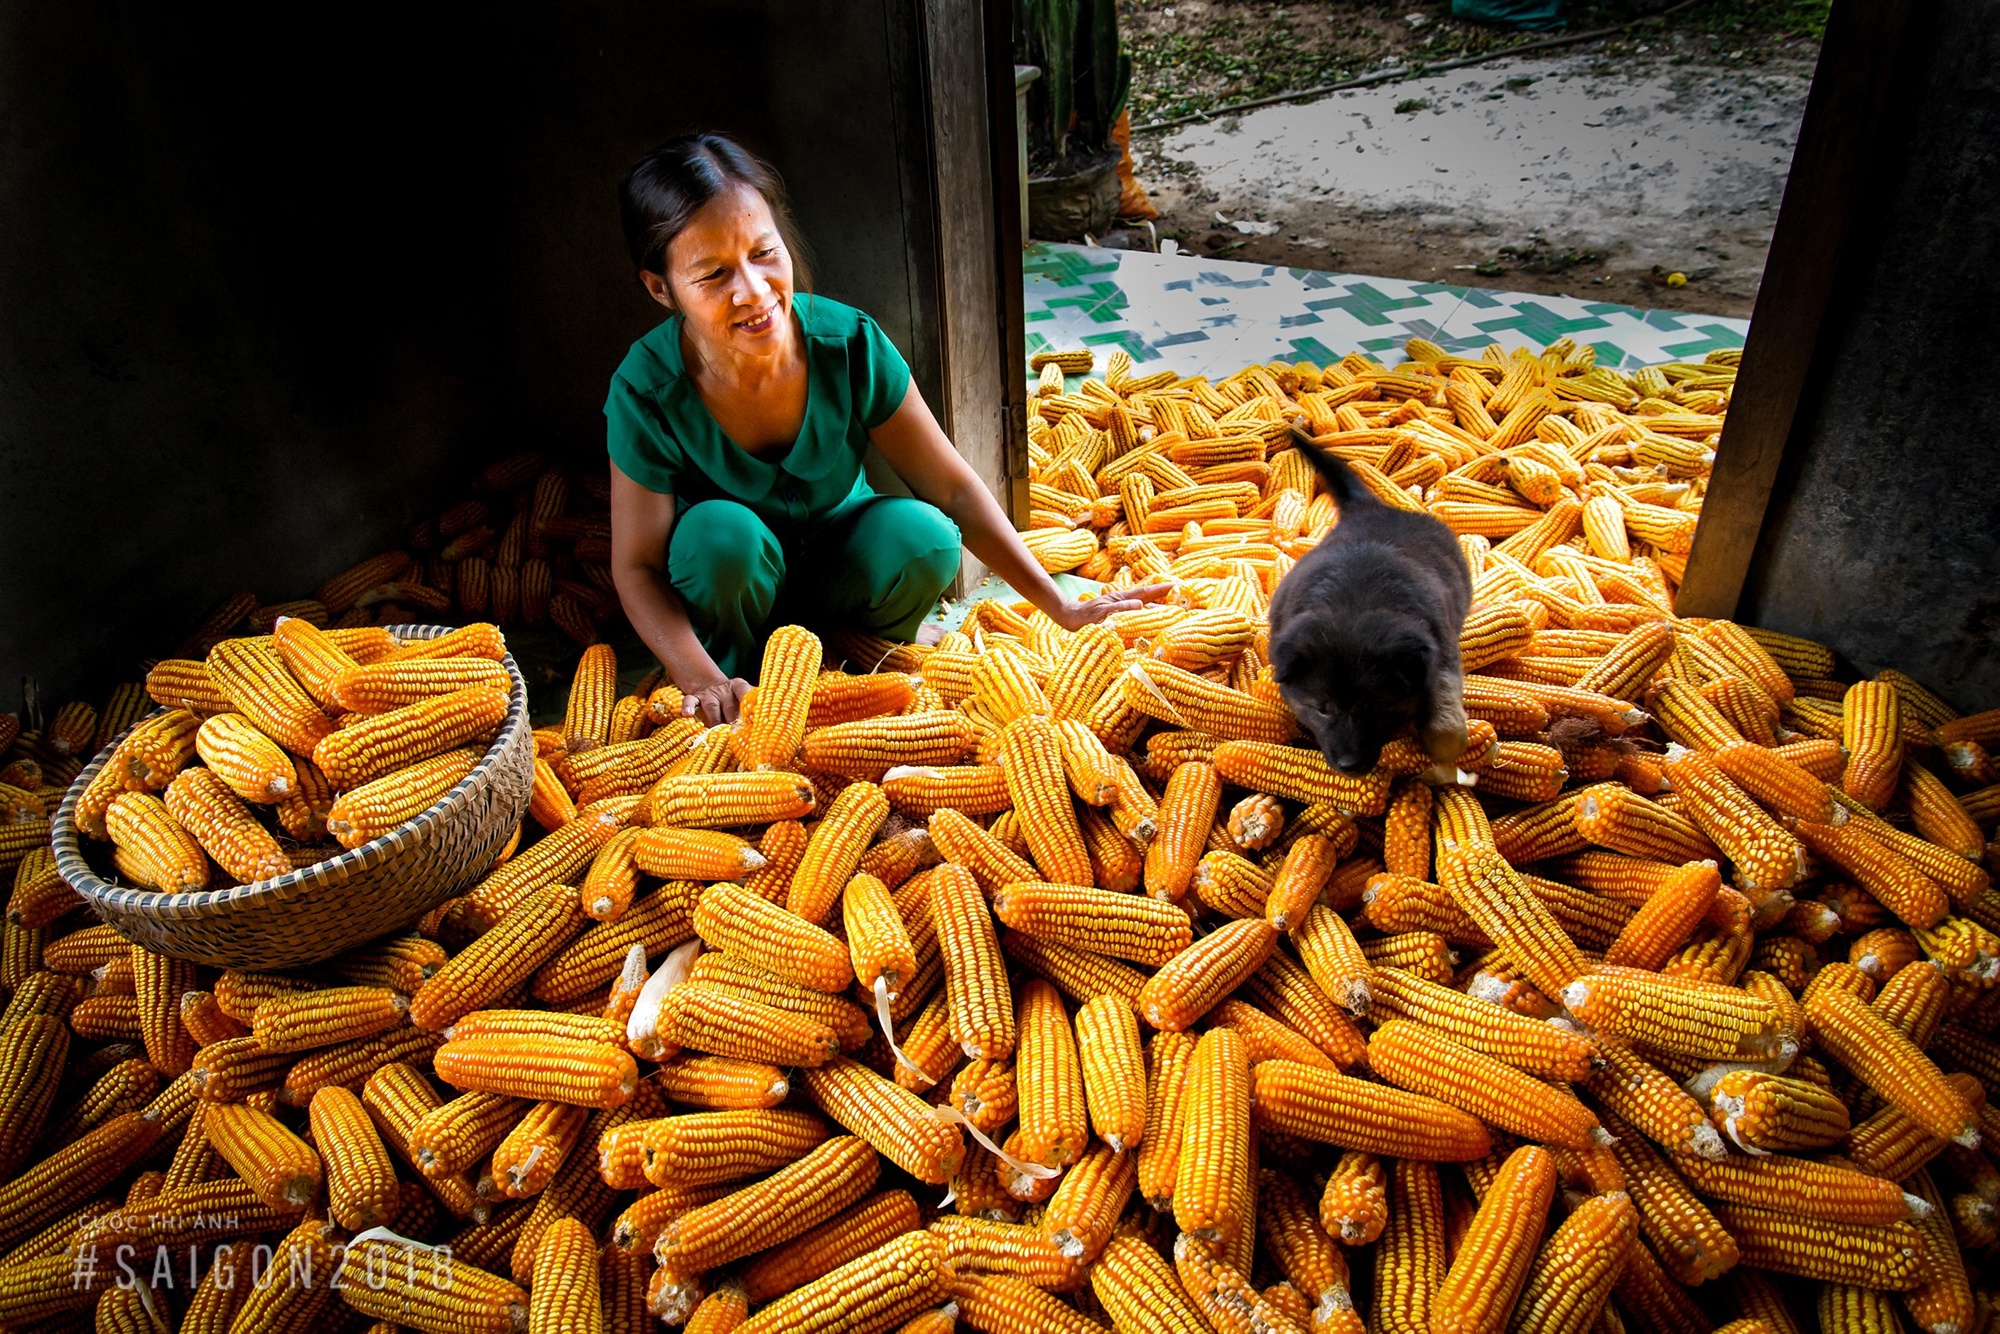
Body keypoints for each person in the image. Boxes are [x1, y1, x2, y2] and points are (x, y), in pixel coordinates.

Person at [606, 133, 1170, 724]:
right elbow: (637, 566)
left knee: (925, 536)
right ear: (660, 288)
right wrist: (697, 675)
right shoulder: (646, 391)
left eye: (764, 253)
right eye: (714, 274)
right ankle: (737, 679)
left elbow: (952, 490)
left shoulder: (849, 343)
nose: (753, 290)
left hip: (837, 569)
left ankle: (847, 660)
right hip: (732, 592)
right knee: (721, 536)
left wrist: (1059, 604)